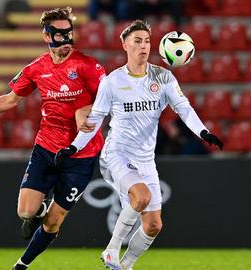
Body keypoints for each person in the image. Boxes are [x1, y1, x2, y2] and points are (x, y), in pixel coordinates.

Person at [0, 7, 106, 270]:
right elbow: (9, 100)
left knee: (53, 222)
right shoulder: (36, 68)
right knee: (26, 212)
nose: (65, 40)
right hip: (46, 147)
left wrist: (85, 112)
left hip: (80, 155)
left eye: (68, 33)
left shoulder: (88, 66)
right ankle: (38, 212)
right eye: (59, 34)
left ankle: (21, 265)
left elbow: (107, 102)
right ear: (46, 36)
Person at [56, 20, 223, 270]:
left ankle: (126, 265)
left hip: (146, 160)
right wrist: (74, 147)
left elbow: (183, 108)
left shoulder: (163, 77)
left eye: (146, 41)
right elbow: (96, 119)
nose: (143, 46)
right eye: (137, 41)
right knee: (141, 196)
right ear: (124, 45)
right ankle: (111, 249)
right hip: (116, 154)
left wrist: (203, 132)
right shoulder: (112, 82)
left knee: (154, 225)